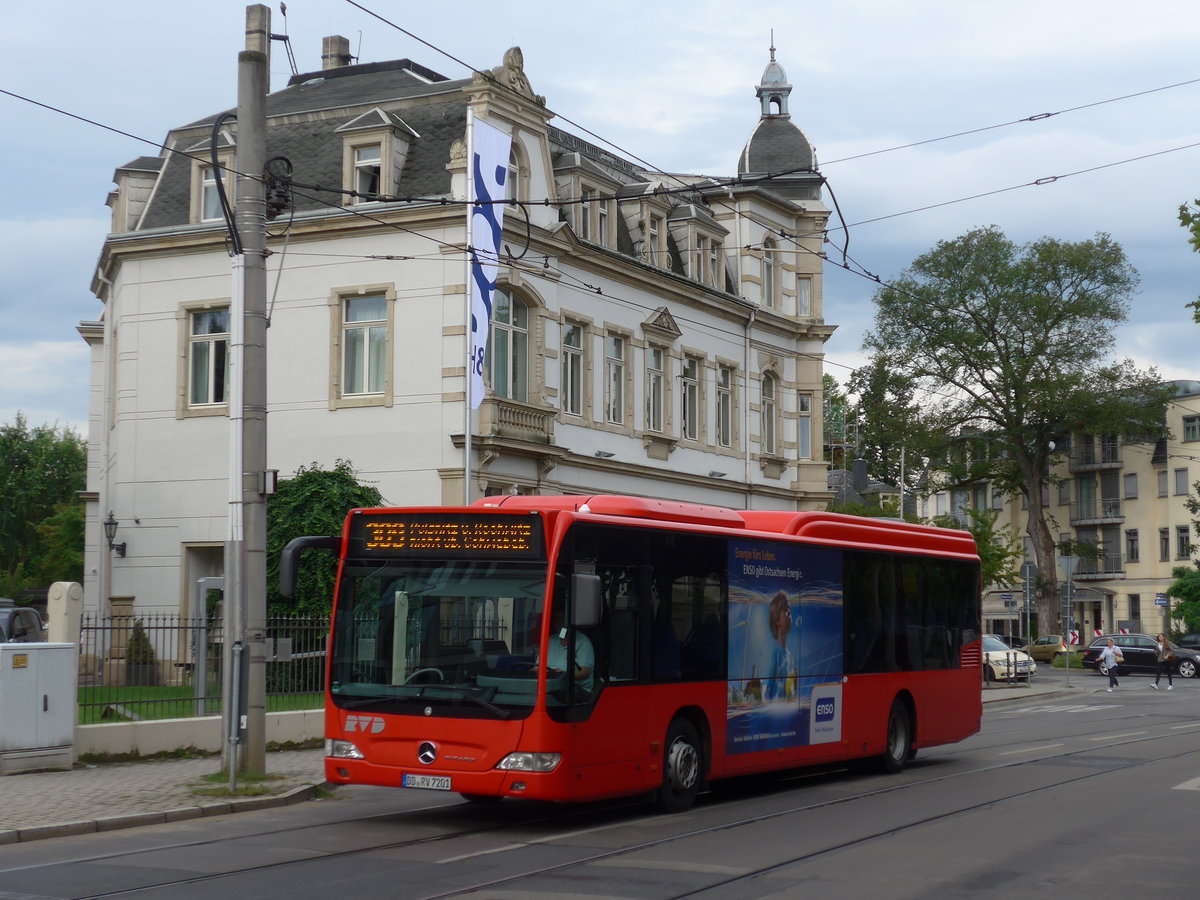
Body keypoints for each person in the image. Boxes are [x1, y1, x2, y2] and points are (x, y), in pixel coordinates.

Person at [544, 610, 594, 693]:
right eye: (555, 619)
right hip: (549, 685)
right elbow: (537, 667)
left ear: (568, 621)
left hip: (575, 688)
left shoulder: (583, 642)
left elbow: (584, 673)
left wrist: (563, 675)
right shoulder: (550, 640)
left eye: (561, 619)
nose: (557, 622)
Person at [764, 591, 797, 702]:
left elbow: (790, 688)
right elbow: (767, 691)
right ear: (777, 619)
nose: (789, 614)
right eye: (786, 610)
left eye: (790, 610)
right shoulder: (774, 653)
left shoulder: (790, 656)